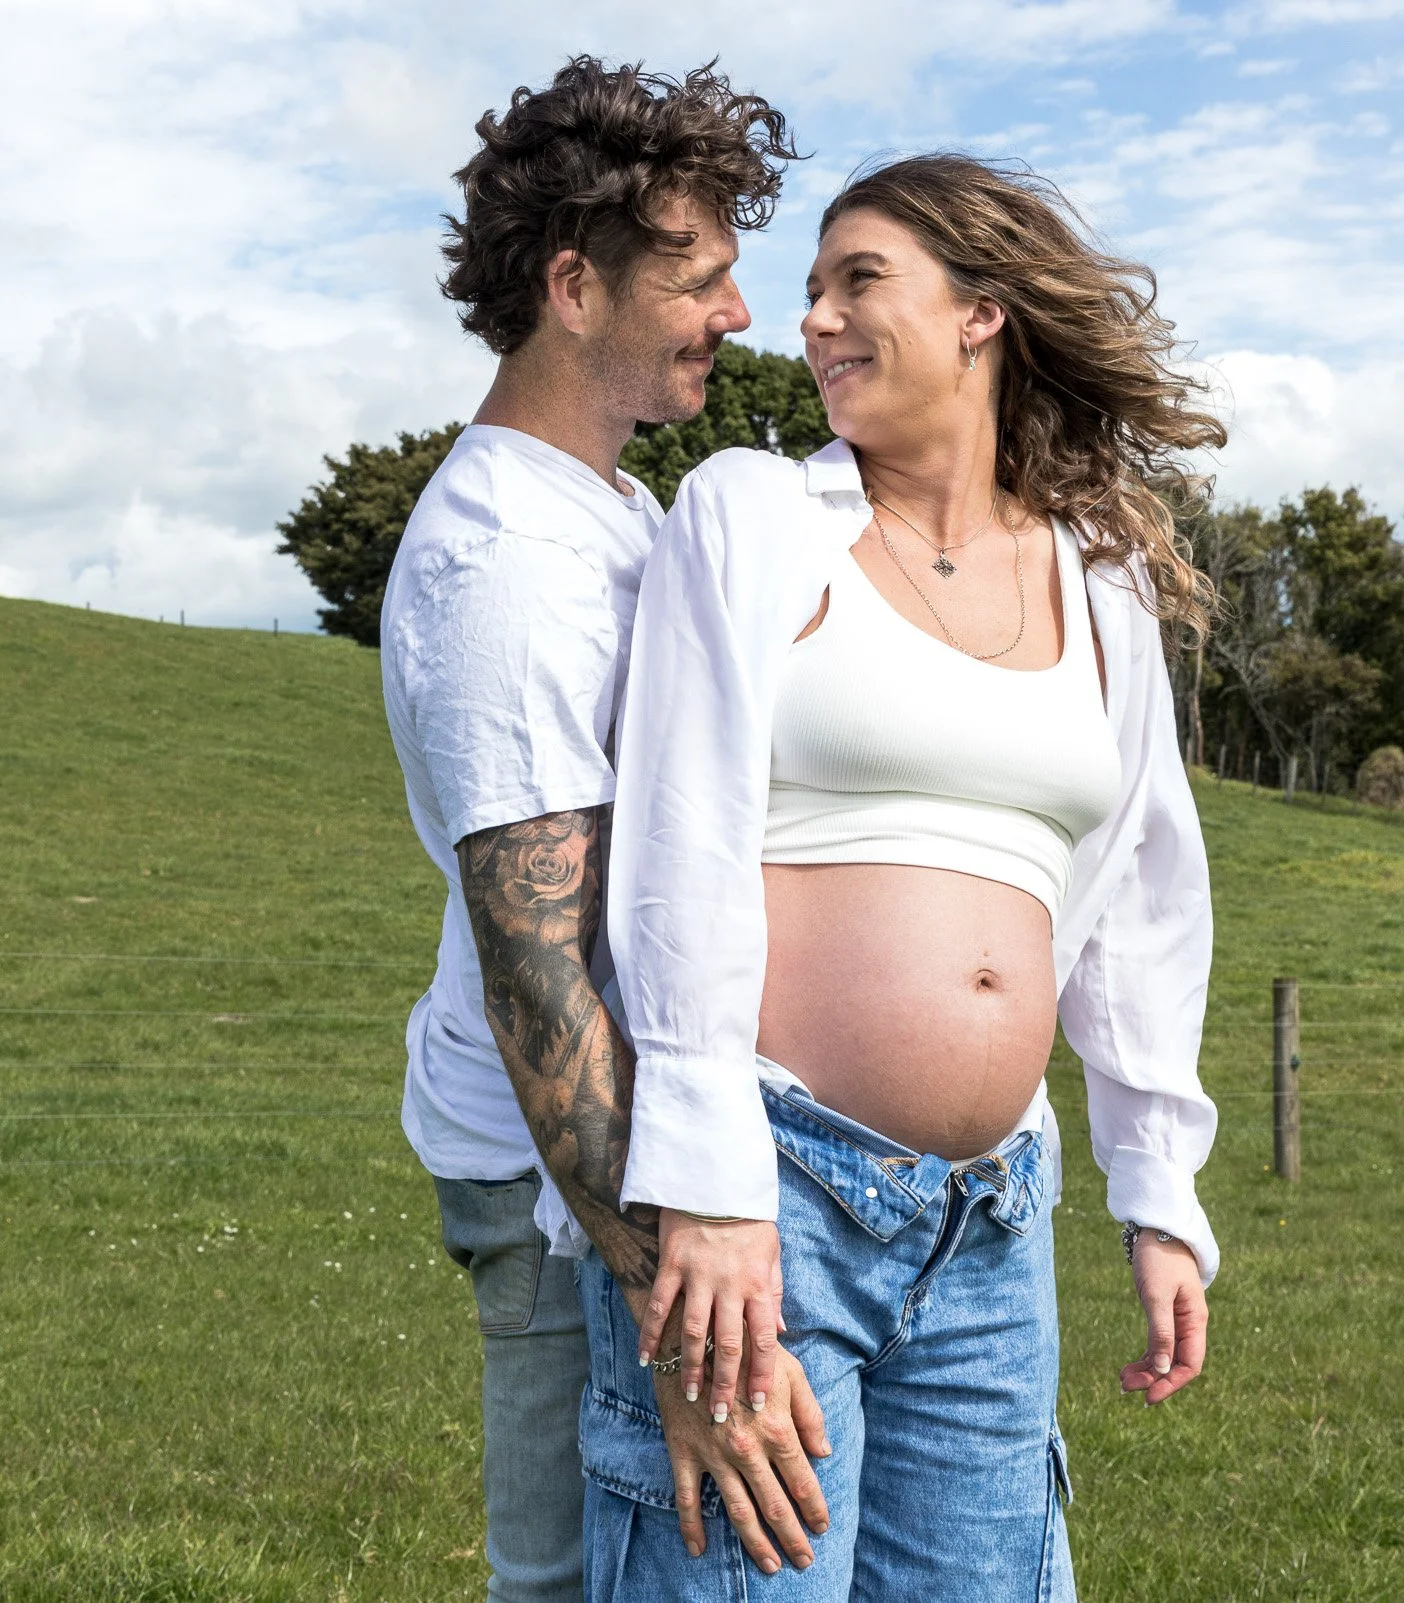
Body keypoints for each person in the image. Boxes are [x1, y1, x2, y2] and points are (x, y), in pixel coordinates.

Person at [582, 154, 1226, 1599]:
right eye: (810, 289)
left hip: (993, 1223)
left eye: (857, 280)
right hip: (775, 1198)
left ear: (983, 312)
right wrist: (706, 1185)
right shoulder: (756, 515)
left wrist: (1158, 1187)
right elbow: (676, 846)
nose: (811, 320)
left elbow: (1137, 897)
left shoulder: (1101, 583)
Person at [377, 58, 825, 1602]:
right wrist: (686, 1329)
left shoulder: (611, 512)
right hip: (567, 1199)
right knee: (570, 1580)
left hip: (633, 1177)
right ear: (574, 288)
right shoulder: (506, 566)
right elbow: (543, 980)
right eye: (699, 281)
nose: (740, 315)